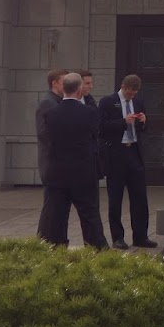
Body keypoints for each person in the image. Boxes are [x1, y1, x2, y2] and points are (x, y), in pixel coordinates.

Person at [39, 72, 109, 249]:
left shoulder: (51, 114)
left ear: (64, 89)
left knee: (56, 217)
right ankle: (96, 251)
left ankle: (56, 250)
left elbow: (48, 139)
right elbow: (94, 138)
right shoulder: (90, 113)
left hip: (58, 173)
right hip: (83, 172)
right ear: (79, 90)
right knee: (90, 216)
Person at [97, 74, 155, 249]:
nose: (132, 96)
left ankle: (141, 236)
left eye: (135, 93)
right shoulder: (108, 102)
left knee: (139, 197)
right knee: (115, 198)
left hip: (134, 152)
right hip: (116, 154)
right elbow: (101, 128)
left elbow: (143, 129)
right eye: (130, 92)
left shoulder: (138, 102)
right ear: (123, 87)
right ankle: (118, 237)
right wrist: (123, 122)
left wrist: (143, 122)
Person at [34, 67, 66, 245]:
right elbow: (43, 133)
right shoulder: (48, 103)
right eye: (64, 81)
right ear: (54, 83)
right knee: (50, 206)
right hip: (51, 163)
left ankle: (54, 240)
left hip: (57, 163)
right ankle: (44, 241)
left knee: (56, 206)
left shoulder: (58, 101)